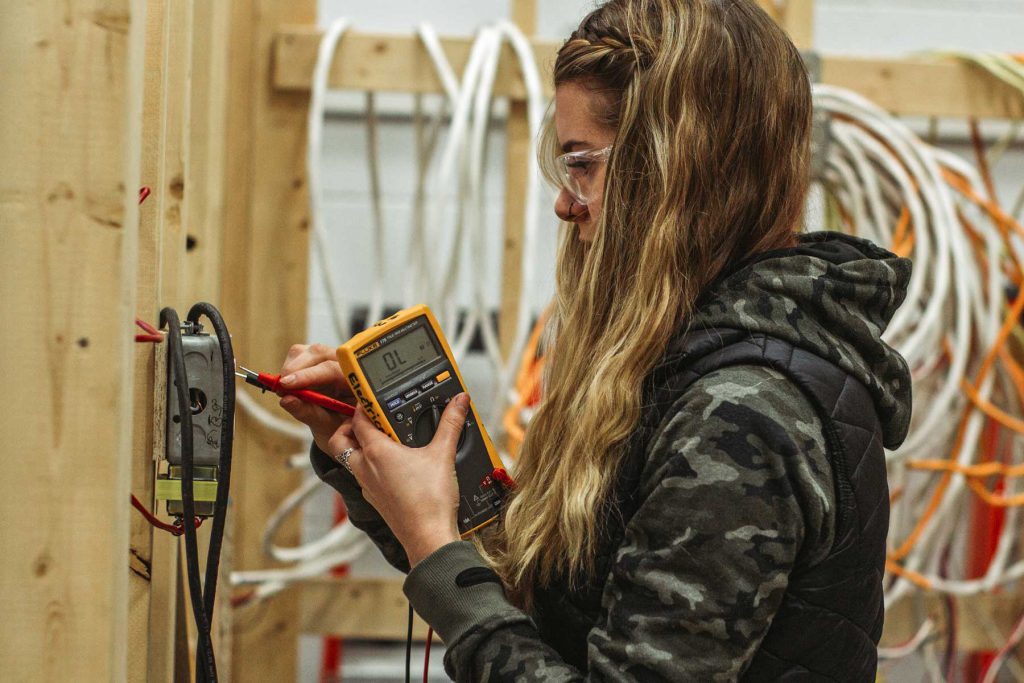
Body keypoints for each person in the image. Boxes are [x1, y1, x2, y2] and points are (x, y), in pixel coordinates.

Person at [279, 0, 913, 679]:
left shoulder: (742, 411)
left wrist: (436, 541)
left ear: (676, 170)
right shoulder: (686, 359)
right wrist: (377, 463)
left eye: (582, 163)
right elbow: (549, 604)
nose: (565, 200)